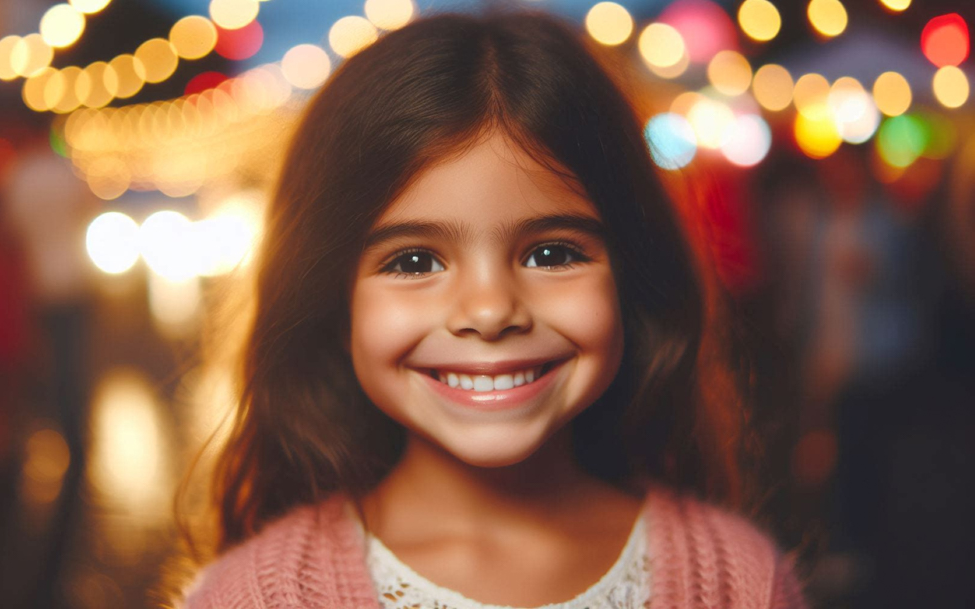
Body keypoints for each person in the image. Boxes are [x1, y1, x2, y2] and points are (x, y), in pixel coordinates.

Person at [181, 10, 806, 609]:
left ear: (632, 277)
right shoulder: (247, 599)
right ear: (332, 304)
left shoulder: (744, 582)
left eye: (552, 253)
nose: (489, 311)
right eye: (414, 262)